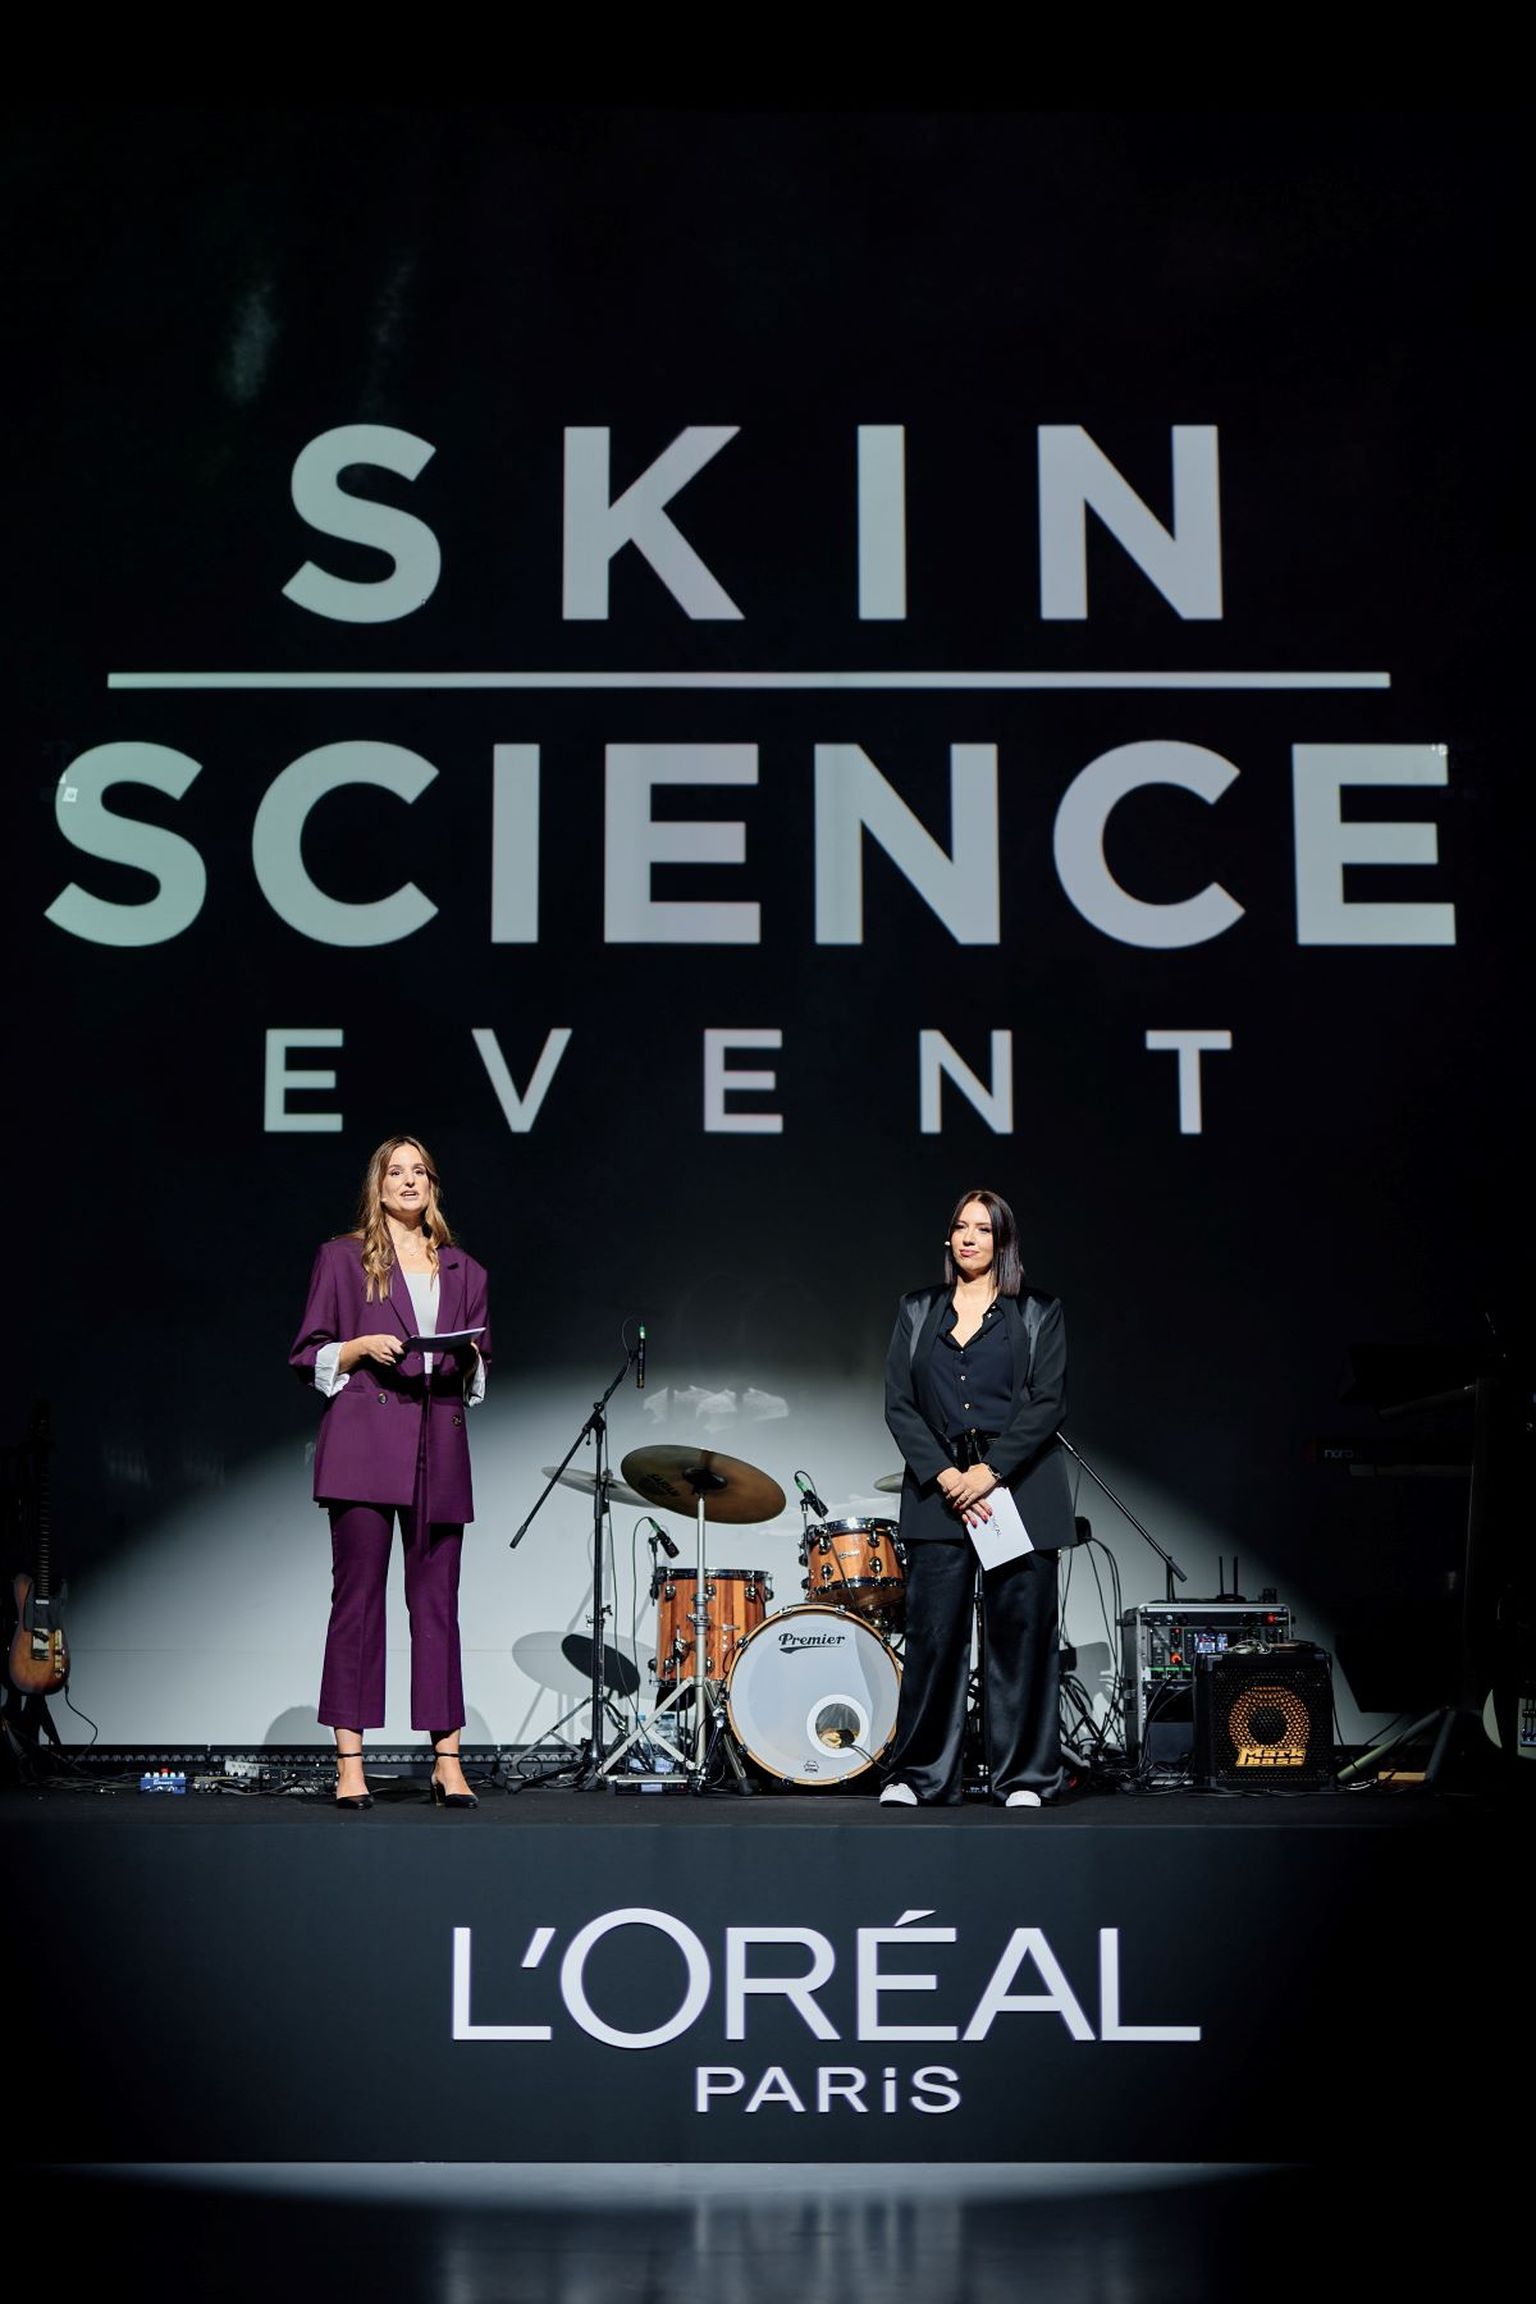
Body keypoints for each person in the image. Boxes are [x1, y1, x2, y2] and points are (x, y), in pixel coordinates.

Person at [290, 1135, 491, 1811]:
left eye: (420, 1172)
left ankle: (448, 1760)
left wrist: (465, 1359)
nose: (409, 1182)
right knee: (357, 1603)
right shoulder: (343, 1258)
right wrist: (357, 1347)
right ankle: (350, 1762)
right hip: (365, 1443)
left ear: (432, 1186)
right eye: (396, 1172)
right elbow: (308, 1353)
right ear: (377, 1187)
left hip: (439, 1444)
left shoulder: (466, 1270)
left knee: (438, 1607)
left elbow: (480, 1362)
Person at [879, 1187, 1072, 1809]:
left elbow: (1047, 1403)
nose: (969, 1238)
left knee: (1019, 1637)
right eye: (961, 1227)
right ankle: (919, 1776)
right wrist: (946, 1475)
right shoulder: (917, 1310)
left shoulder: (1039, 1311)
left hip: (1018, 1488)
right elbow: (899, 1404)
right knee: (934, 1638)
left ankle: (1024, 1779)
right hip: (939, 1492)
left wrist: (988, 1472)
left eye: (983, 1229)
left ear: (1002, 1241)